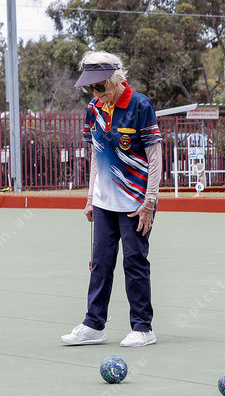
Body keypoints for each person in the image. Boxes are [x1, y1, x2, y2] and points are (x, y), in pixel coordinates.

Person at [61, 51, 163, 347]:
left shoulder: (140, 105)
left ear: (117, 79)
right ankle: (94, 325)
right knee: (100, 264)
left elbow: (155, 157)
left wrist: (150, 202)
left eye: (101, 86)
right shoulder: (94, 108)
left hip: (136, 203)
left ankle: (143, 328)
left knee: (134, 263)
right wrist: (90, 197)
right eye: (91, 88)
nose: (96, 93)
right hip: (104, 202)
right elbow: (96, 153)